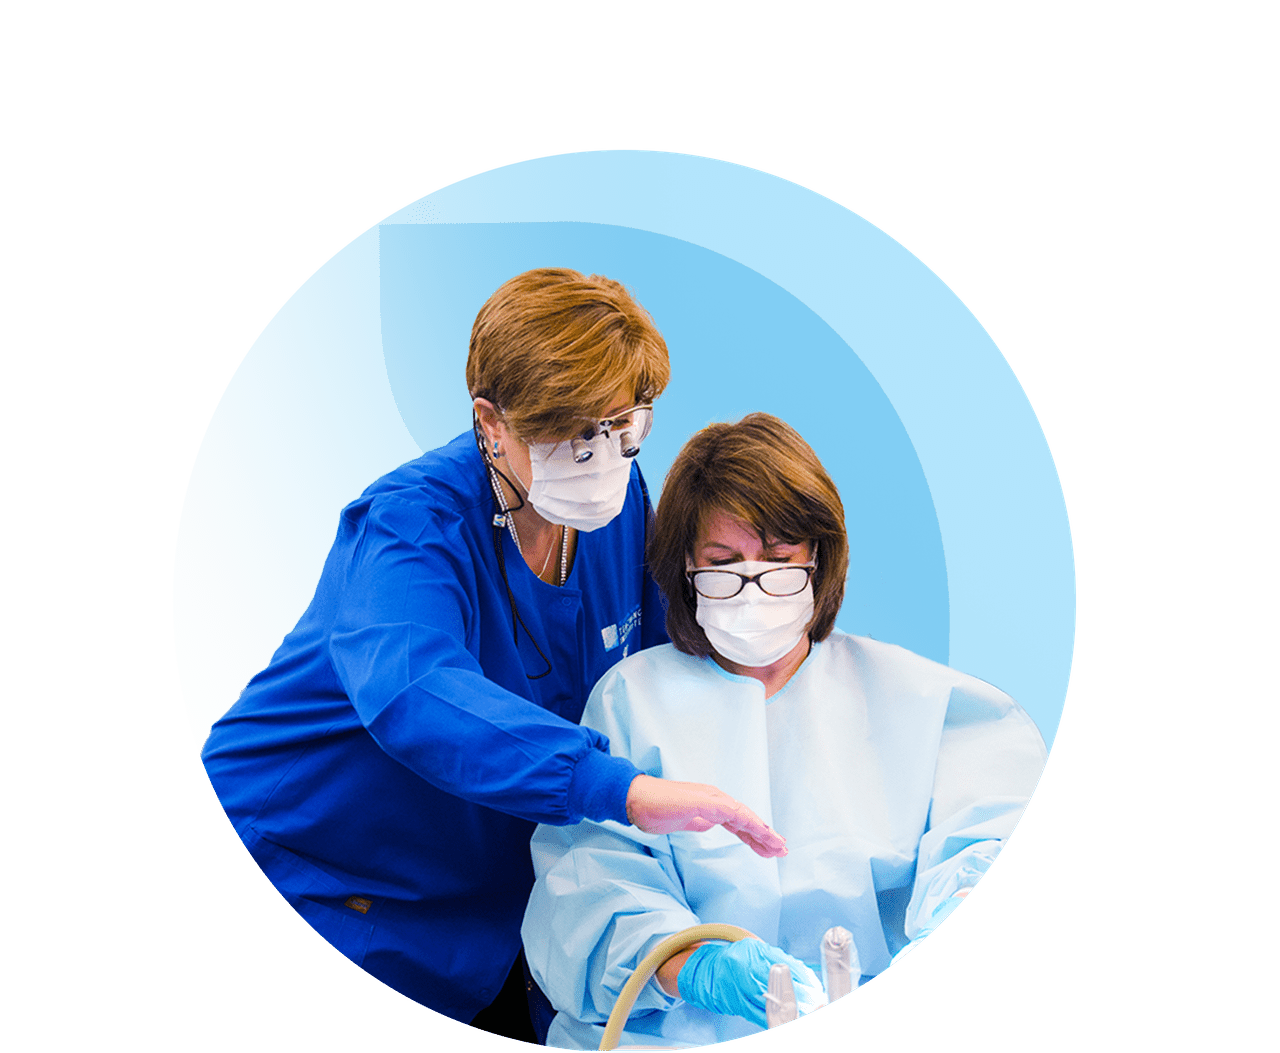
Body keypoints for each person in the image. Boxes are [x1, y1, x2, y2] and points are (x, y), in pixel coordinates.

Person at [200, 270, 785, 1038]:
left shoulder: (615, 506)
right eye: (574, 434)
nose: (605, 457)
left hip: (487, 905)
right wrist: (619, 786)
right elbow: (417, 692)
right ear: (492, 423)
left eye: (624, 426)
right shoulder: (410, 526)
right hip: (323, 880)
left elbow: (654, 681)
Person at [522, 413, 1048, 1050]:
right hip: (677, 1032)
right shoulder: (631, 701)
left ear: (819, 558)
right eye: (723, 564)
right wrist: (699, 967)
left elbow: (990, 836)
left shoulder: (916, 699)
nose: (752, 588)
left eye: (778, 561)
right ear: (685, 566)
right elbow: (591, 888)